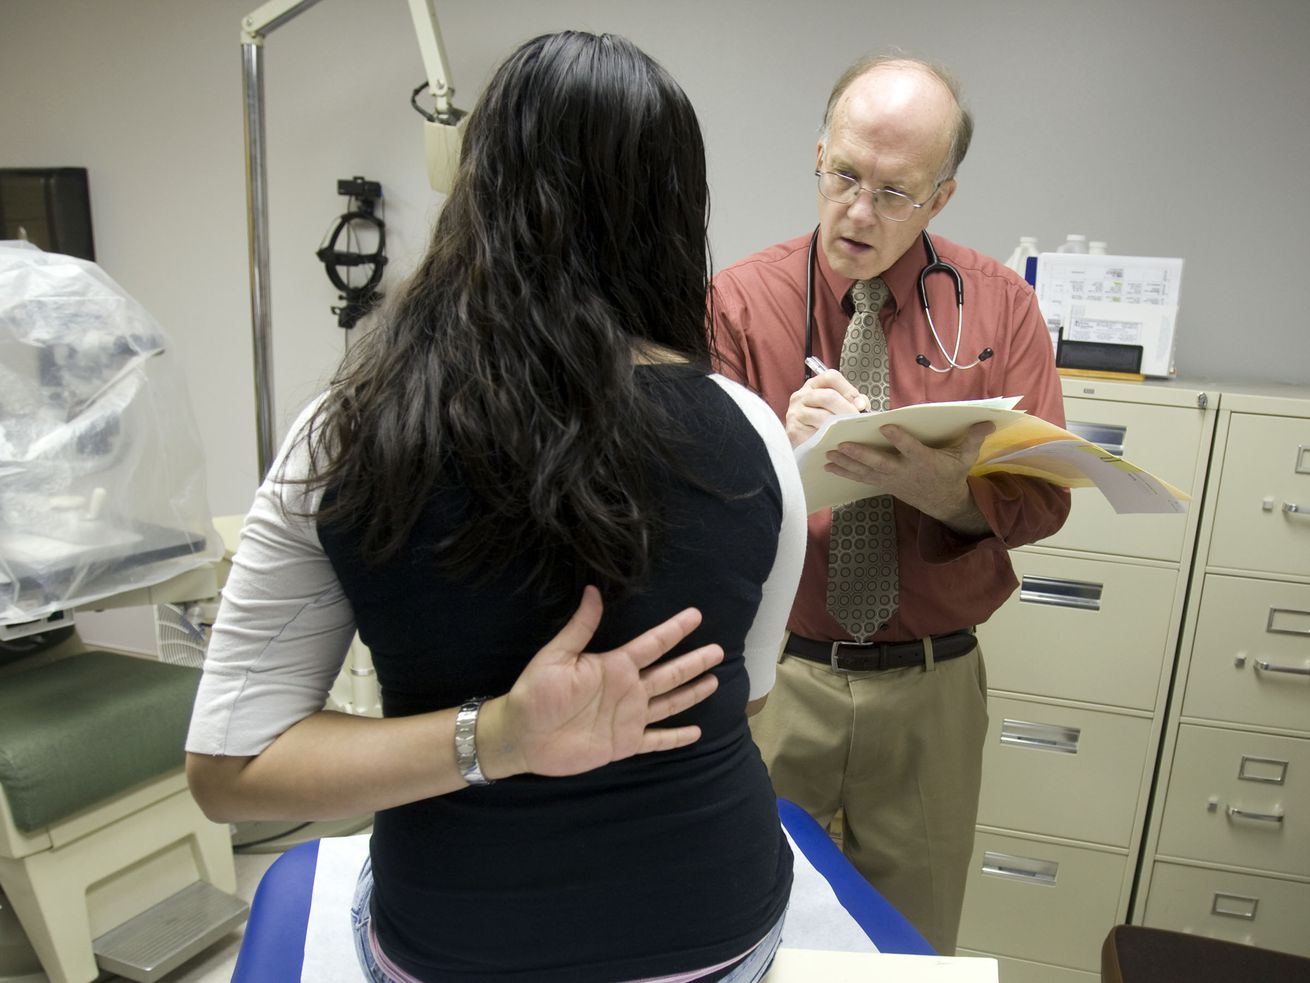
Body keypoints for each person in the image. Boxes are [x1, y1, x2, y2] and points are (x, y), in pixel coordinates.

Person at [185, 31, 805, 983]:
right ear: (679, 211)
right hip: (715, 936)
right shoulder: (756, 437)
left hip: (454, 947)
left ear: (478, 187)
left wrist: (493, 739)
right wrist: (513, 732)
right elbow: (744, 701)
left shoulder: (345, 433)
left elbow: (231, 772)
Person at [710, 53, 1071, 954]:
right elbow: (686, 506)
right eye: (845, 177)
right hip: (774, 680)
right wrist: (780, 460)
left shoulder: (1001, 308)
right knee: (745, 934)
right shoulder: (739, 303)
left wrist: (935, 484)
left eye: (895, 192)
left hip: (929, 690)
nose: (859, 213)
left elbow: (1041, 503)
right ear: (819, 155)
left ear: (941, 198)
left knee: (909, 949)